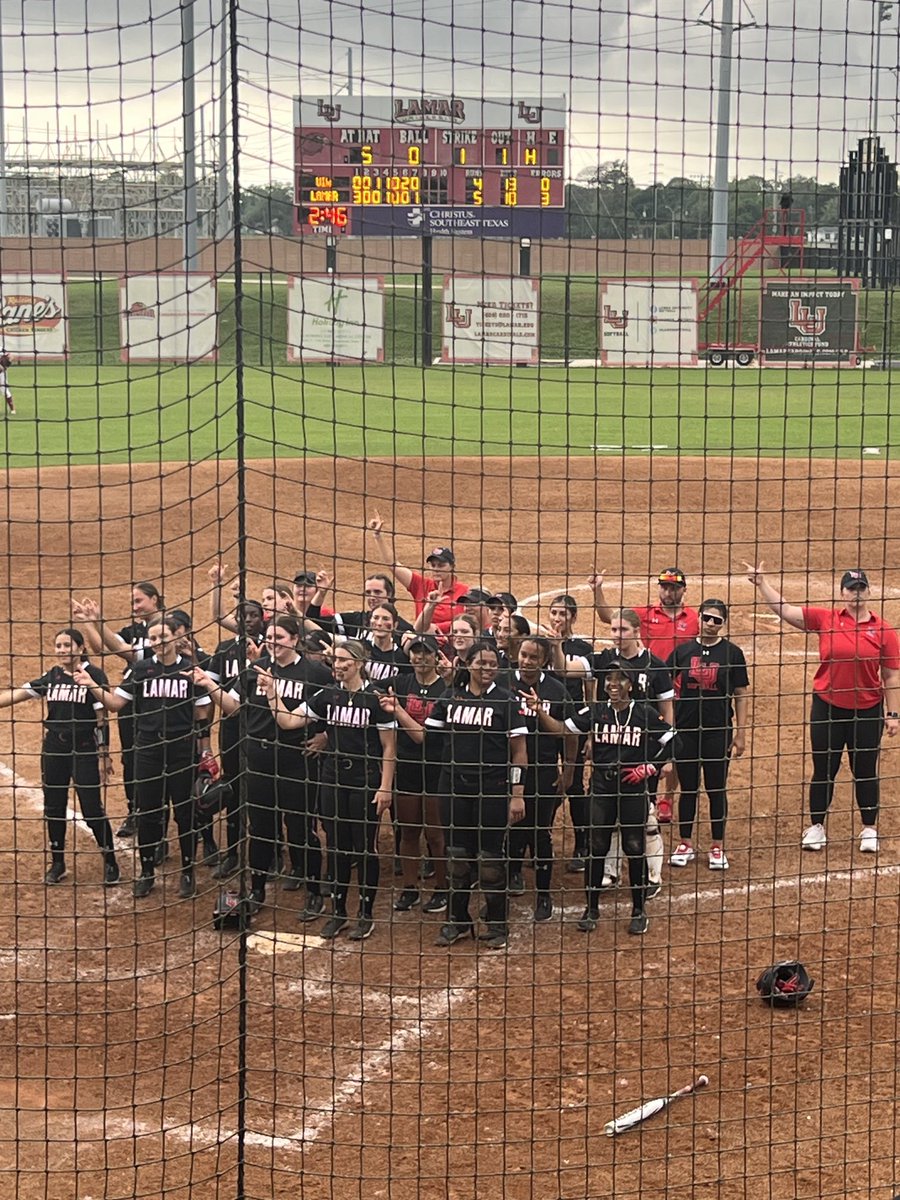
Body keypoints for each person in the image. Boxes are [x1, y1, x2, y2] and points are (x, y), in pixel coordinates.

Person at [746, 563, 900, 853]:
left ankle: (869, 829)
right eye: (851, 589)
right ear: (842, 593)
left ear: (868, 592)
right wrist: (762, 584)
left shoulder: (884, 630)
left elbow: (891, 675)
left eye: (861, 589)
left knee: (865, 770)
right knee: (823, 770)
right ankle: (816, 827)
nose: (856, 594)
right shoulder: (826, 618)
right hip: (827, 708)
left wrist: (893, 715)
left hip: (867, 711)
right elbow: (786, 610)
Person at [194, 614, 333, 916]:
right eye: (269, 638)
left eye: (280, 638)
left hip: (297, 761)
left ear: (295, 639)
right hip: (257, 760)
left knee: (300, 829)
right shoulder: (253, 670)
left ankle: (312, 891)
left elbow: (333, 709)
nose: (273, 643)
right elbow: (232, 709)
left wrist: (325, 737)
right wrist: (208, 685)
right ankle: (256, 889)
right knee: (260, 829)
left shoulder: (317, 673)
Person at [528, 662, 674, 936]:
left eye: (620, 679)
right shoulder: (597, 712)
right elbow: (561, 729)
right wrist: (538, 711)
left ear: (631, 684)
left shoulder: (643, 713)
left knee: (633, 846)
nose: (613, 684)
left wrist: (650, 767)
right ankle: (591, 908)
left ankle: (639, 910)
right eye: (609, 679)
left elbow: (674, 740)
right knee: (597, 847)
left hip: (632, 790)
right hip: (601, 789)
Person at [74, 614, 213, 900]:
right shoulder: (140, 670)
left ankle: (187, 871)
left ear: (176, 636)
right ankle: (147, 871)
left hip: (181, 752)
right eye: (153, 639)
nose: (158, 643)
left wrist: (203, 752)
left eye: (163, 637)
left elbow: (203, 713)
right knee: (149, 812)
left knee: (185, 814)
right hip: (148, 751)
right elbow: (114, 704)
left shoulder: (191, 670)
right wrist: (90, 683)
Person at [266, 639, 397, 941]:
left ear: (360, 663)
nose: (337, 665)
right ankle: (338, 912)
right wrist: (272, 692)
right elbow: (288, 722)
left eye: (344, 660)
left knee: (364, 848)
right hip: (332, 778)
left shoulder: (376, 699)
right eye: (335, 660)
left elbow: (389, 748)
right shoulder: (327, 696)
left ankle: (365, 914)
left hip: (365, 781)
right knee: (336, 847)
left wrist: (385, 788)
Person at [424, 640, 528, 949]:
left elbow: (519, 753)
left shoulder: (507, 702)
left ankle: (497, 923)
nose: (487, 669)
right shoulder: (449, 697)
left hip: (492, 791)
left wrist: (517, 794)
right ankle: (456, 921)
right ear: (468, 664)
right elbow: (428, 737)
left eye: (492, 664)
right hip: (453, 788)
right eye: (481, 663)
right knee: (456, 858)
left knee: (490, 861)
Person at [0, 628, 119, 885]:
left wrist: (103, 755)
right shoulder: (52, 676)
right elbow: (17, 694)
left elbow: (102, 719)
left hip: (84, 748)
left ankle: (110, 861)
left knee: (91, 807)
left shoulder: (93, 675)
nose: (62, 650)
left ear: (80, 647)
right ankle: (58, 863)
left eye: (67, 645)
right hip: (54, 748)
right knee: (53, 806)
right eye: (59, 645)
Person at [588, 566, 699, 822]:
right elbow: (609, 617)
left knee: (670, 744)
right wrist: (598, 591)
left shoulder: (693, 618)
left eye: (674, 587)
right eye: (664, 586)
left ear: (683, 589)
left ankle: (667, 798)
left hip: (682, 692)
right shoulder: (645, 614)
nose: (668, 591)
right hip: (645, 689)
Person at [584, 608, 674, 893]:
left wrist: (665, 759)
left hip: (642, 754)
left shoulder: (655, 666)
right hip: (609, 749)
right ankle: (610, 871)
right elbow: (567, 668)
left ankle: (653, 876)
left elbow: (666, 711)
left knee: (646, 817)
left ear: (636, 631)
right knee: (607, 818)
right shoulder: (605, 661)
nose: (617, 636)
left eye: (622, 630)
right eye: (613, 630)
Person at [72, 582, 164, 839]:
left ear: (154, 600)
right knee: (131, 757)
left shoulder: (169, 627)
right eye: (132, 602)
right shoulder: (134, 629)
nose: (134, 606)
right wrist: (90, 622)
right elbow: (102, 646)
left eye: (139, 601)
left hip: (159, 700)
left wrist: (99, 621)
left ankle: (171, 813)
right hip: (132, 700)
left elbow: (127, 653)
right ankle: (135, 810)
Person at [666, 600, 750, 870]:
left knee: (716, 789)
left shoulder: (732, 654)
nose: (712, 624)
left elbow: (740, 694)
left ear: (723, 624)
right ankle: (685, 842)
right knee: (688, 788)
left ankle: (717, 845)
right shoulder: (683, 651)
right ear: (699, 618)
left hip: (718, 732)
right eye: (708, 618)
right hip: (686, 732)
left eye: (718, 620)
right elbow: (663, 684)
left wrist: (741, 734)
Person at [503, 636, 575, 922]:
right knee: (511, 829)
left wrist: (568, 769)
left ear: (544, 661)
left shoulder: (555, 690)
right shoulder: (503, 681)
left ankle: (543, 894)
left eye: (534, 657)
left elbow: (570, 732)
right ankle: (513, 877)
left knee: (540, 831)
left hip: (543, 770)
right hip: (505, 770)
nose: (527, 661)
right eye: (524, 654)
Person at [378, 633, 449, 914]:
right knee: (408, 831)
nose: (421, 658)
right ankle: (410, 887)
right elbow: (367, 687)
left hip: (436, 766)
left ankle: (443, 887)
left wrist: (397, 711)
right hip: (407, 766)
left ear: (436, 656)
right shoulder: (401, 683)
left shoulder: (445, 688)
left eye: (427, 653)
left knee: (435, 834)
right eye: (416, 653)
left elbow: (426, 737)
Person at [206, 599, 267, 879]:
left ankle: (272, 853)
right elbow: (210, 693)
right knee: (232, 789)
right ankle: (232, 853)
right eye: (244, 615)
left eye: (254, 615)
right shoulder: (224, 649)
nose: (249, 620)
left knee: (263, 792)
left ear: (262, 618)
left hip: (262, 728)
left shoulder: (270, 647)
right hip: (231, 729)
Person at [546, 593, 595, 872]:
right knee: (544, 782)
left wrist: (589, 734)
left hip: (573, 728)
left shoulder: (583, 649)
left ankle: (582, 843)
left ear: (573, 617)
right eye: (553, 613)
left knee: (575, 786)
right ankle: (540, 838)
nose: (557, 619)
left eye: (563, 614)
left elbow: (591, 696)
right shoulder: (540, 645)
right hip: (545, 725)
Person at [368, 512, 469, 634]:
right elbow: (393, 564)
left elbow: (469, 622)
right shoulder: (421, 584)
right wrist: (378, 536)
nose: (436, 569)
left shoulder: (464, 592)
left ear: (452, 567)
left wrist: (437, 628)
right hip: (421, 645)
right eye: (433, 565)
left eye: (441, 565)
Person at [305, 569, 413, 638]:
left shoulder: (403, 628)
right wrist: (321, 593)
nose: (372, 597)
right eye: (368, 592)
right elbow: (313, 621)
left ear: (389, 594)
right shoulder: (356, 620)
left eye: (377, 592)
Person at [364, 602, 413, 684]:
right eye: (376, 618)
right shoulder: (360, 648)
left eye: (385, 619)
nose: (379, 623)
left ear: (395, 625)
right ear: (370, 622)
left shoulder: (401, 659)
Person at [0, 349, 14, 414]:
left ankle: (12, 409)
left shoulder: (0, 348)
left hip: (1, 374)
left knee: (5, 390)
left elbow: (11, 356)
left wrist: (6, 365)